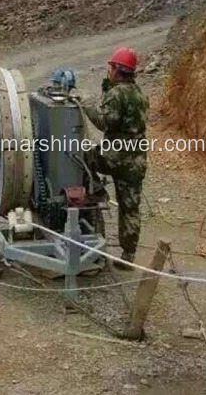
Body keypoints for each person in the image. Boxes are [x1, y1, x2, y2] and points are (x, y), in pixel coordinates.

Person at [82, 47, 149, 269]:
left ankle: (95, 187)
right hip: (136, 159)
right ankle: (129, 255)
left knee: (85, 155)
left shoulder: (117, 94)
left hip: (116, 157)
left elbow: (105, 122)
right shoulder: (140, 93)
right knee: (130, 206)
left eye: (111, 67)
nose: (108, 71)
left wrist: (86, 105)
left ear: (118, 70)